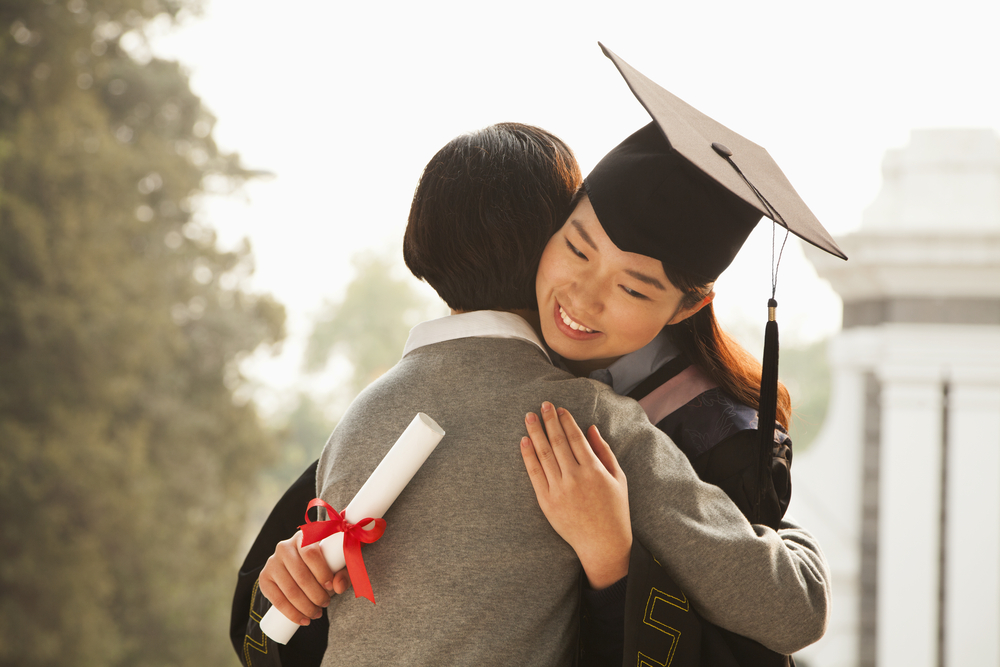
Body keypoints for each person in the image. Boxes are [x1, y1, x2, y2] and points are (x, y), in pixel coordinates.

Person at [234, 116, 831, 667]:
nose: (583, 299)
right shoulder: (581, 417)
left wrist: (614, 563)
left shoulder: (716, 435)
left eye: (634, 289)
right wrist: (293, 571)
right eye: (576, 247)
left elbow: (774, 625)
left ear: (689, 306)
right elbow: (285, 626)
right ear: (543, 239)